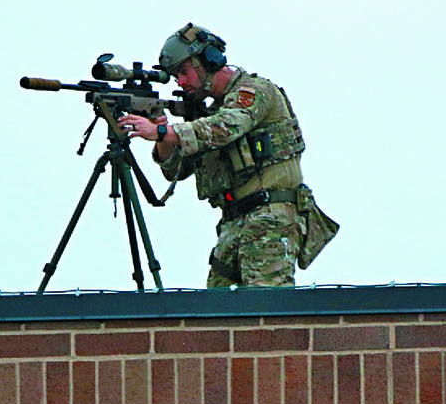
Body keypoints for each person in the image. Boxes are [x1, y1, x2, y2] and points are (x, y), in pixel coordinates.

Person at [118, 23, 337, 288]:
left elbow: (226, 127)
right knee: (217, 313)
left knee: (265, 311)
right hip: (233, 223)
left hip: (270, 216)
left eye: (184, 72)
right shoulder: (207, 114)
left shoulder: (254, 91)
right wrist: (160, 130)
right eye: (176, 77)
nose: (182, 82)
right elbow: (176, 170)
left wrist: (163, 131)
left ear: (209, 61)